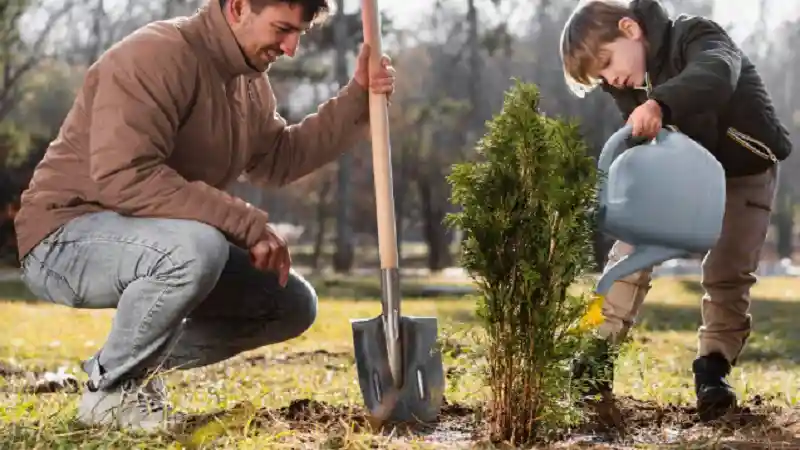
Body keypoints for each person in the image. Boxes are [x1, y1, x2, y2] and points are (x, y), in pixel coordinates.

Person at [14, 0, 395, 432]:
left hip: (154, 239)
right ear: (237, 8)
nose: (290, 48)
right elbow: (124, 177)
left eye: (299, 35)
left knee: (287, 303)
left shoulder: (248, 82)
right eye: (282, 29)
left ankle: (134, 370)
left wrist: (356, 98)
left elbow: (278, 159)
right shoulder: (156, 56)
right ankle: (111, 391)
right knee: (199, 247)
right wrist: (245, 223)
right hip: (63, 238)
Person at [559, 0, 792, 421]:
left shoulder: (698, 35)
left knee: (727, 271)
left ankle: (713, 374)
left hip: (745, 168)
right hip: (683, 174)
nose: (610, 78)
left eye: (608, 62)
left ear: (631, 28)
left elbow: (717, 74)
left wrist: (660, 104)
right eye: (601, 77)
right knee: (628, 254)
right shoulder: (625, 84)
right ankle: (594, 360)